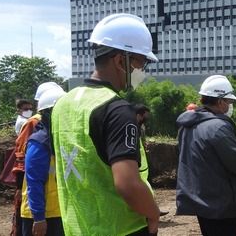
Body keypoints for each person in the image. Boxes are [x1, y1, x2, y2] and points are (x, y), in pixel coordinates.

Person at [51, 13, 160, 235]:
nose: (143, 71)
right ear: (121, 60)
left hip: (79, 228)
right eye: (141, 62)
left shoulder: (63, 104)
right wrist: (153, 213)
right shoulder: (116, 110)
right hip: (122, 229)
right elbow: (127, 183)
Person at [175, 75, 236, 236]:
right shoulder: (219, 127)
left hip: (202, 201)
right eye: (229, 102)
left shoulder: (187, 126)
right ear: (221, 101)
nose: (230, 106)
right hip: (222, 205)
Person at [11, 82, 64, 236]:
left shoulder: (61, 136)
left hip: (59, 210)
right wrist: (39, 217)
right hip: (41, 212)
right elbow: (33, 179)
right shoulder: (39, 138)